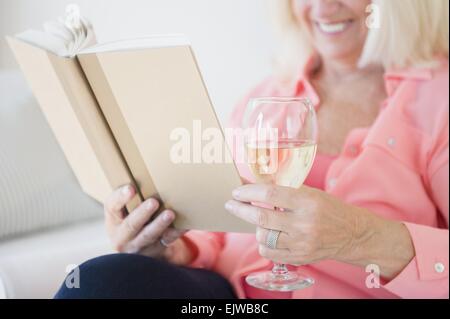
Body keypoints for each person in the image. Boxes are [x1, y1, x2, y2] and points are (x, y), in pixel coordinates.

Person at [56, 0, 449, 299]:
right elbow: (222, 231)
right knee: (102, 278)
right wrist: (172, 250)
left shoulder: (438, 99)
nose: (324, 6)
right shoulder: (266, 96)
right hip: (235, 299)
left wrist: (357, 237)